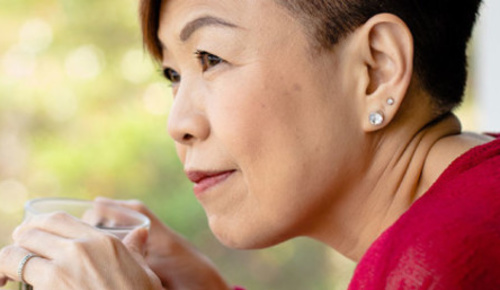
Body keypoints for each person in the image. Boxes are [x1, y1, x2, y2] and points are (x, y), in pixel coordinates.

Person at [1, 0, 499, 289]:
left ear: (376, 70)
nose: (179, 123)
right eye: (174, 74)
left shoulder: (448, 260)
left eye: (211, 59)